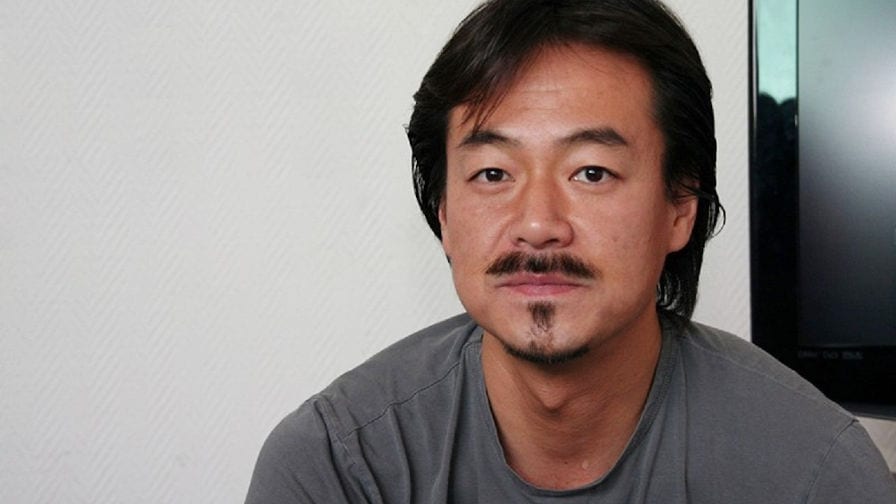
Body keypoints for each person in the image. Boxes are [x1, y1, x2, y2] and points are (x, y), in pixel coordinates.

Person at [245, 0, 896, 502]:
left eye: (591, 172)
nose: (537, 225)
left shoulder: (815, 474)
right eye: (493, 174)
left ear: (680, 206)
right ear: (443, 212)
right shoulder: (338, 468)